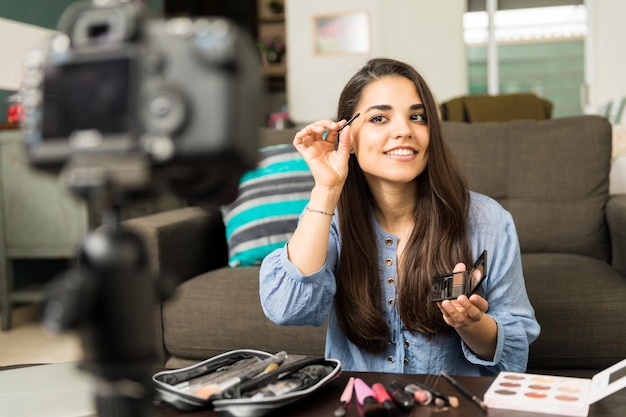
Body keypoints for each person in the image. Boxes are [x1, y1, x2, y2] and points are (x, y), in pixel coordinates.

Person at [259, 57, 540, 376]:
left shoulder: (490, 221)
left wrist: (472, 324)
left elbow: (514, 354)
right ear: (348, 137)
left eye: (417, 117)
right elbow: (287, 309)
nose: (404, 130)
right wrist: (325, 189)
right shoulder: (331, 220)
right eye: (380, 118)